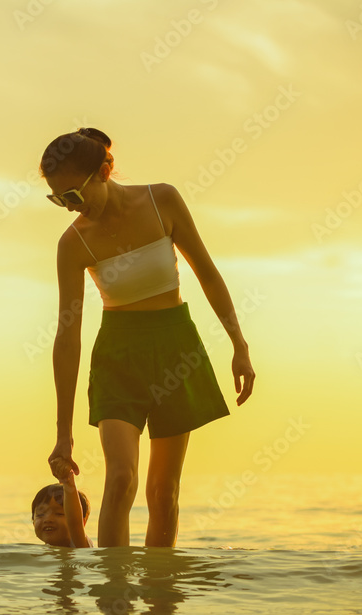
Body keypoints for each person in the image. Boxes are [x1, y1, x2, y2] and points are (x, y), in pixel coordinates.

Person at [41, 127, 255, 548]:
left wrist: (240, 346)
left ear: (105, 171)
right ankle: (113, 604)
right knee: (121, 479)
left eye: (73, 196)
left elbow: (207, 274)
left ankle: (161, 605)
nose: (69, 208)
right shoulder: (74, 243)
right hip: (118, 357)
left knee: (163, 493)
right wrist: (63, 432)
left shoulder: (163, 201)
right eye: (58, 199)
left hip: (177, 349)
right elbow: (68, 338)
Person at [31, 469, 93, 548]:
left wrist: (68, 482)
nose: (48, 519)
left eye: (59, 514)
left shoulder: (79, 546)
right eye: (41, 514)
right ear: (33, 522)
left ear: (82, 522)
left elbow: (75, 523)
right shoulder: (42, 553)